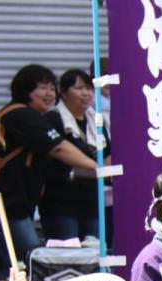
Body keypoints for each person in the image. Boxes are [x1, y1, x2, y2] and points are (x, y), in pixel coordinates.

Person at [0, 64, 98, 277]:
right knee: (33, 265)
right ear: (26, 90)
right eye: (42, 88)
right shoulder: (22, 116)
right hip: (8, 208)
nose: (49, 94)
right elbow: (58, 148)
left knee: (18, 267)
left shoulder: (24, 116)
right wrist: (98, 169)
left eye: (51, 88)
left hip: (16, 208)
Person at [40, 68, 107, 242]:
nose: (86, 94)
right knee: (66, 255)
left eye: (88, 88)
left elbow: (107, 155)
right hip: (61, 202)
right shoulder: (52, 119)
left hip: (92, 202)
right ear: (63, 92)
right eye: (78, 88)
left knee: (94, 254)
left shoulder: (97, 121)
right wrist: (97, 167)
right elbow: (57, 151)